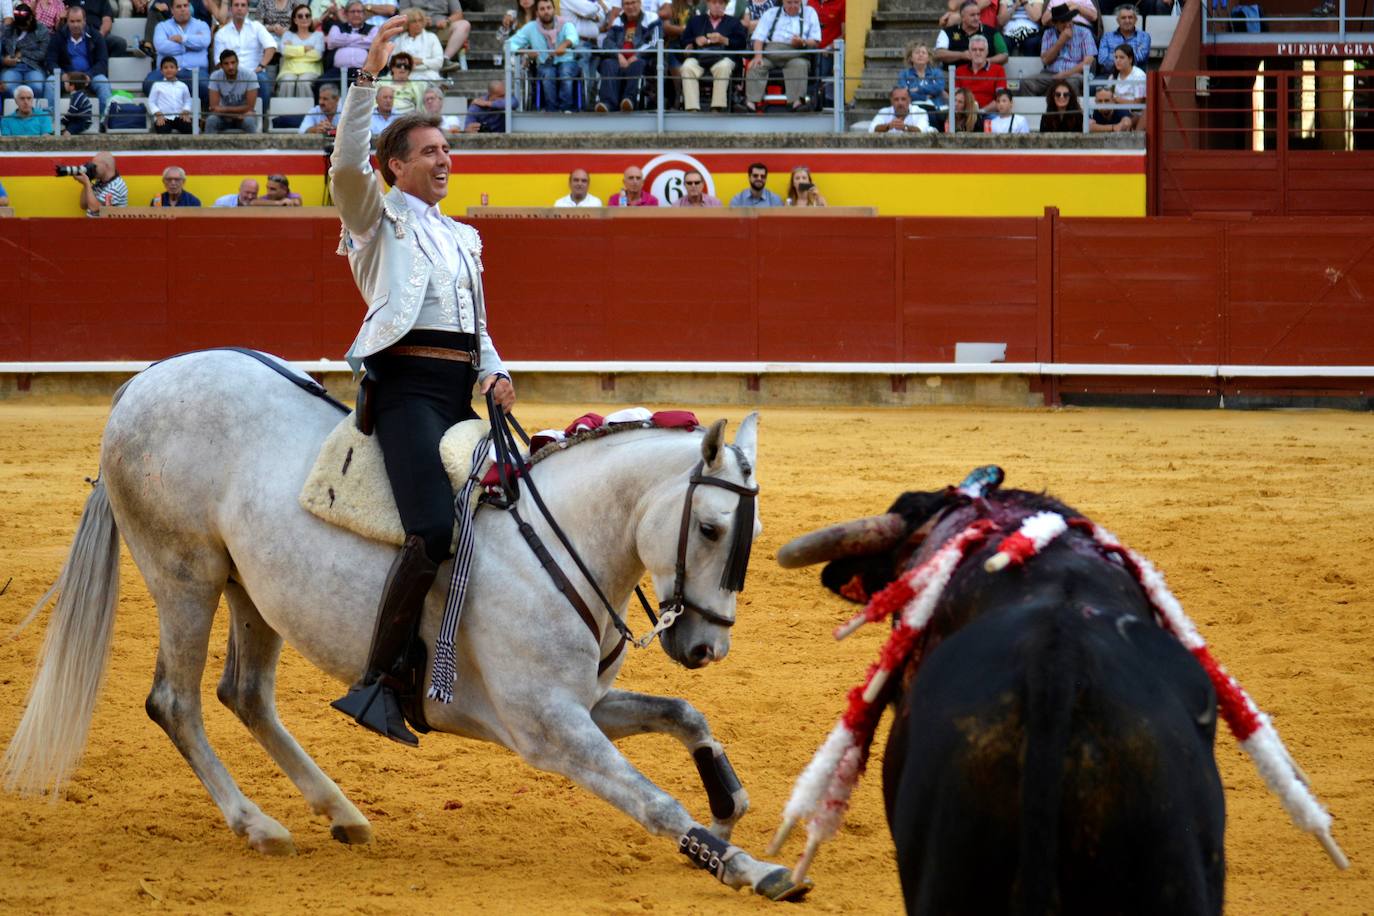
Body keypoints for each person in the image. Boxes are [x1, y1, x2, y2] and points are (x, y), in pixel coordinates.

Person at [329, 15, 514, 747]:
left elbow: (477, 322)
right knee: (432, 529)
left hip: (458, 393)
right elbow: (346, 166)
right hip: (403, 391)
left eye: (447, 148)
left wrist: (497, 371)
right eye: (430, 151)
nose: (445, 159)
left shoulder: (463, 234)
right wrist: (365, 83)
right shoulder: (374, 219)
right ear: (394, 166)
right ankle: (378, 679)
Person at [742, 0, 820, 113]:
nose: (793, 6)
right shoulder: (771, 13)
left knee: (799, 65)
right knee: (755, 66)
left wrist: (803, 42)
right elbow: (758, 38)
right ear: (783, 1)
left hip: (796, 54)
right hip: (771, 54)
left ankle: (797, 104)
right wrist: (758, 56)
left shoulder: (810, 13)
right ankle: (750, 104)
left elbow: (816, 41)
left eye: (796, 3)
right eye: (789, 3)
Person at [509, 0, 578, 113]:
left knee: (565, 71)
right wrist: (525, 51)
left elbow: (574, 37)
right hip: (545, 64)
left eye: (548, 8)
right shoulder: (531, 27)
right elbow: (509, 44)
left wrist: (564, 45)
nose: (546, 11)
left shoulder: (565, 23)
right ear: (537, 13)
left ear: (554, 10)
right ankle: (552, 111)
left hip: (567, 61)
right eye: (542, 9)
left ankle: (567, 110)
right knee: (548, 74)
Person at [42, 6, 110, 115]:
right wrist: (62, 75)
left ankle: (104, 121)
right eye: (72, 21)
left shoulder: (96, 36)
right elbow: (50, 61)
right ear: (67, 21)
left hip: (90, 75)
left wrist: (89, 75)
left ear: (84, 21)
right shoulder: (58, 37)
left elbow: (102, 62)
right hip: (66, 76)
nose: (75, 25)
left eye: (78, 21)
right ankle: (49, 121)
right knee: (50, 83)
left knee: (103, 83)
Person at [679, 0, 745, 112]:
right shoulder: (696, 21)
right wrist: (695, 40)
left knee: (723, 66)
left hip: (724, 58)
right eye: (714, 2)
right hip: (699, 58)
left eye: (721, 3)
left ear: (725, 5)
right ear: (708, 4)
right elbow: (683, 41)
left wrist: (724, 40)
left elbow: (742, 43)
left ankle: (716, 108)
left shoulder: (734, 22)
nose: (717, 5)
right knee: (687, 66)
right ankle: (692, 109)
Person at [593, 0, 656, 113]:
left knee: (638, 64)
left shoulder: (651, 18)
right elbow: (607, 42)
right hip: (619, 59)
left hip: (640, 59)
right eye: (627, 3)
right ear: (622, 6)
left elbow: (655, 43)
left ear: (640, 3)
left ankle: (629, 101)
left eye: (633, 2)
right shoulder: (618, 21)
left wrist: (637, 55)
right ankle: (607, 104)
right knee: (607, 63)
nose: (630, 6)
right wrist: (618, 54)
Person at [1020, 1, 1093, 96]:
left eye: (1069, 20)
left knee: (1070, 83)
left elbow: (1088, 61)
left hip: (1074, 74)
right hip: (1050, 74)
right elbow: (1046, 61)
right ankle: (1034, 111)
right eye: (1063, 21)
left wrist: (1066, 74)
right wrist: (1061, 41)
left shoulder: (1084, 33)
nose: (1067, 24)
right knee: (1026, 83)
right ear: (1055, 23)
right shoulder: (1048, 34)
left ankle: (1074, 111)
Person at [214, 0, 278, 107]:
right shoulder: (221, 33)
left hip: (255, 72)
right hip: (230, 74)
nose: (240, 8)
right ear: (230, 9)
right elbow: (218, 61)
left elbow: (271, 46)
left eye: (243, 5)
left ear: (247, 9)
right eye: (236, 5)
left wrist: (261, 65)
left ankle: (262, 117)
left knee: (263, 80)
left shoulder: (257, 27)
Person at [145, 0, 212, 100]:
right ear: (172, 10)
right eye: (179, 7)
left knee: (206, 86)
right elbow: (161, 46)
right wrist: (190, 44)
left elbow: (204, 41)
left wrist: (182, 39)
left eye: (185, 6)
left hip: (195, 71)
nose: (183, 9)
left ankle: (199, 113)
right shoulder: (162, 26)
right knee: (148, 84)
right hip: (166, 71)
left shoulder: (202, 25)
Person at [560, 0, 611, 103]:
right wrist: (598, 6)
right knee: (585, 79)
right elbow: (589, 10)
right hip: (579, 44)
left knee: (591, 80)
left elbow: (603, 17)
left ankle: (588, 105)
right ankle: (583, 106)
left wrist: (592, 15)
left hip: (592, 44)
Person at [396, 0, 467, 73]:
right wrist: (421, 20)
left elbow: (458, 14)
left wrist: (447, 21)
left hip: (441, 29)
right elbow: (402, 14)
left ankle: (445, 59)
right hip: (416, 29)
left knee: (464, 25)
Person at [1, 3, 51, 101]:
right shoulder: (9, 29)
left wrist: (23, 53)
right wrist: (4, 60)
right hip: (13, 68)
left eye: (24, 25)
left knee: (36, 88)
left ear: (31, 18)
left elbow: (42, 55)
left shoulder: (42, 30)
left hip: (34, 67)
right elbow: (2, 51)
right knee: (7, 88)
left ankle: (35, 114)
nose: (22, 28)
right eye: (20, 26)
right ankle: (12, 114)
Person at [934, 1, 1007, 67]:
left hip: (984, 77)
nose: (976, 18)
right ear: (962, 17)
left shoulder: (992, 32)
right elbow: (938, 54)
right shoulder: (947, 32)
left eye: (978, 14)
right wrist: (962, 55)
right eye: (972, 15)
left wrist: (985, 61)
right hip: (954, 77)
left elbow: (1004, 55)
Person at [320, 1, 373, 93]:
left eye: (359, 11)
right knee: (321, 83)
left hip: (363, 71)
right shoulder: (336, 27)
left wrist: (343, 40)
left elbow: (372, 43)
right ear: (346, 14)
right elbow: (332, 42)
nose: (356, 14)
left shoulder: (373, 28)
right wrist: (361, 38)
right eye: (353, 11)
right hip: (337, 70)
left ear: (364, 14)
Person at [207, 48, 260, 131]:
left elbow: (250, 107)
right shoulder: (215, 76)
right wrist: (234, 115)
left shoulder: (250, 75)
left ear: (238, 63)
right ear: (221, 66)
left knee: (249, 121)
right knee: (211, 120)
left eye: (233, 63)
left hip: (242, 116)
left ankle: (254, 144)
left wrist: (224, 110)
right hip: (224, 117)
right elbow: (214, 107)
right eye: (226, 64)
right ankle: (207, 144)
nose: (230, 67)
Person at [277, 4, 324, 96]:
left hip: (311, 70)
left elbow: (317, 55)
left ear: (311, 18)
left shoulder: (318, 36)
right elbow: (284, 51)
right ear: (295, 20)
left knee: (303, 82)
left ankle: (307, 110)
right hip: (289, 70)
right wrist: (304, 49)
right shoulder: (287, 35)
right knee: (287, 81)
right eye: (300, 16)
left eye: (307, 15)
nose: (304, 18)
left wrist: (293, 49)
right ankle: (285, 110)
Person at [807, 0, 843, 108]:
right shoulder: (811, 2)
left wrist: (830, 47)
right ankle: (808, 100)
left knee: (821, 66)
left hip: (829, 51)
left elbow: (845, 33)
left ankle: (819, 102)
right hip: (810, 48)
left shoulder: (841, 3)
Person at [954, 34, 1004, 110]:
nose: (978, 53)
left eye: (981, 50)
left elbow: (1001, 98)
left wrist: (983, 111)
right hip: (965, 114)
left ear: (987, 52)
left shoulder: (999, 70)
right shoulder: (959, 71)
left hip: (989, 113)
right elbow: (956, 98)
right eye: (974, 50)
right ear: (969, 52)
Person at [391, 6, 442, 81]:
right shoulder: (398, 41)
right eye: (414, 21)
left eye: (420, 20)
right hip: (402, 76)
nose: (418, 24)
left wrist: (421, 61)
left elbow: (439, 62)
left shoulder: (432, 37)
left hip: (427, 75)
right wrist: (405, 62)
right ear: (407, 24)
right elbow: (391, 62)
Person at [1095, 2, 1148, 74]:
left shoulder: (1144, 37)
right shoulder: (1107, 37)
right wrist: (1127, 58)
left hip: (1135, 77)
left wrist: (1116, 58)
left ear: (1135, 20)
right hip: (1110, 75)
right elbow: (1102, 59)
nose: (1127, 21)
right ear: (1117, 20)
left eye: (1130, 17)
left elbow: (1141, 57)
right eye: (1123, 18)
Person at [71, 151, 127, 215]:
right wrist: (86, 184)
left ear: (106, 166)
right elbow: (83, 205)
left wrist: (87, 183)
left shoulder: (116, 186)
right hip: (93, 224)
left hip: (106, 225)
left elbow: (95, 208)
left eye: (95, 166)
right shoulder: (100, 182)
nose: (93, 169)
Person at [149, 54, 194, 132]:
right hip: (164, 117)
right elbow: (151, 101)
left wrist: (186, 110)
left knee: (188, 128)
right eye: (165, 67)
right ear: (161, 71)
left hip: (180, 116)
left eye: (172, 67)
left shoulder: (182, 85)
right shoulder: (157, 85)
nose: (169, 70)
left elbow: (188, 100)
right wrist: (158, 114)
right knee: (163, 130)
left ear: (177, 69)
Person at [896, 41, 945, 112]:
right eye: (917, 52)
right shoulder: (904, 74)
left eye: (923, 53)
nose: (920, 55)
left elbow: (939, 88)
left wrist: (918, 89)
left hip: (934, 109)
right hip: (912, 109)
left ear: (928, 58)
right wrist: (924, 97)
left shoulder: (936, 73)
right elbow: (904, 94)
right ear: (911, 58)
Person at [1109, 40, 1144, 125]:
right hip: (1114, 111)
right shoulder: (1113, 76)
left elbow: (1137, 104)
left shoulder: (1139, 76)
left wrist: (1117, 100)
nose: (1117, 60)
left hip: (1133, 114)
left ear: (1130, 59)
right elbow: (1109, 96)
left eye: (1121, 57)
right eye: (1116, 57)